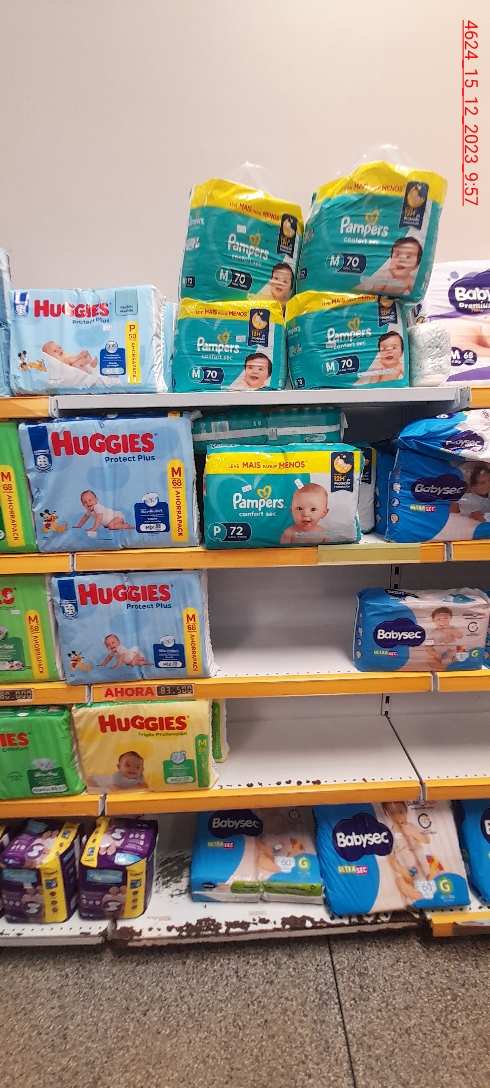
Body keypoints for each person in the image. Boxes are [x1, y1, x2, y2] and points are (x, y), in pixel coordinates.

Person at [381, 801, 431, 905]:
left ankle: (430, 890)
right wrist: (401, 870)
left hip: (420, 865)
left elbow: (426, 840)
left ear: (406, 811)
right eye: (392, 814)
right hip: (405, 869)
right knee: (399, 882)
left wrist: (414, 833)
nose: (398, 817)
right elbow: (390, 858)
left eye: (400, 812)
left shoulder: (413, 826)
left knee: (434, 872)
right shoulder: (389, 834)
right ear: (386, 815)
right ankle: (416, 895)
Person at [357, 237, 423, 296]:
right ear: (391, 258)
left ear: (416, 265)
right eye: (397, 255)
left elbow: (416, 295)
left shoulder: (409, 280)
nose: (401, 259)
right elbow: (374, 291)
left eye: (408, 257)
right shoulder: (386, 275)